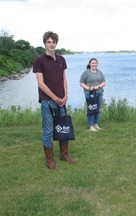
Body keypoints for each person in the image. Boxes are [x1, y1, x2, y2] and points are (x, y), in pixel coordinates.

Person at [33, 31, 76, 170]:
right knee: (48, 131)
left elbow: (63, 78)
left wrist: (65, 95)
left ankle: (64, 155)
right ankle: (50, 160)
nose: (51, 44)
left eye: (53, 42)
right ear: (45, 43)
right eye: (48, 42)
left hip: (61, 101)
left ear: (56, 43)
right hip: (47, 102)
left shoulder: (61, 59)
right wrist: (54, 98)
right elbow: (41, 83)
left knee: (63, 128)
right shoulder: (39, 60)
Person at [80, 58, 106, 132]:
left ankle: (96, 124)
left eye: (95, 63)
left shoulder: (100, 72)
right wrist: (88, 88)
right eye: (93, 63)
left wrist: (98, 86)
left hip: (99, 93)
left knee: (97, 109)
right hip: (89, 94)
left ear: (97, 64)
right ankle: (91, 126)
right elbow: (81, 83)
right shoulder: (86, 73)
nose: (94, 64)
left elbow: (104, 82)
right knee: (91, 109)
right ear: (89, 64)